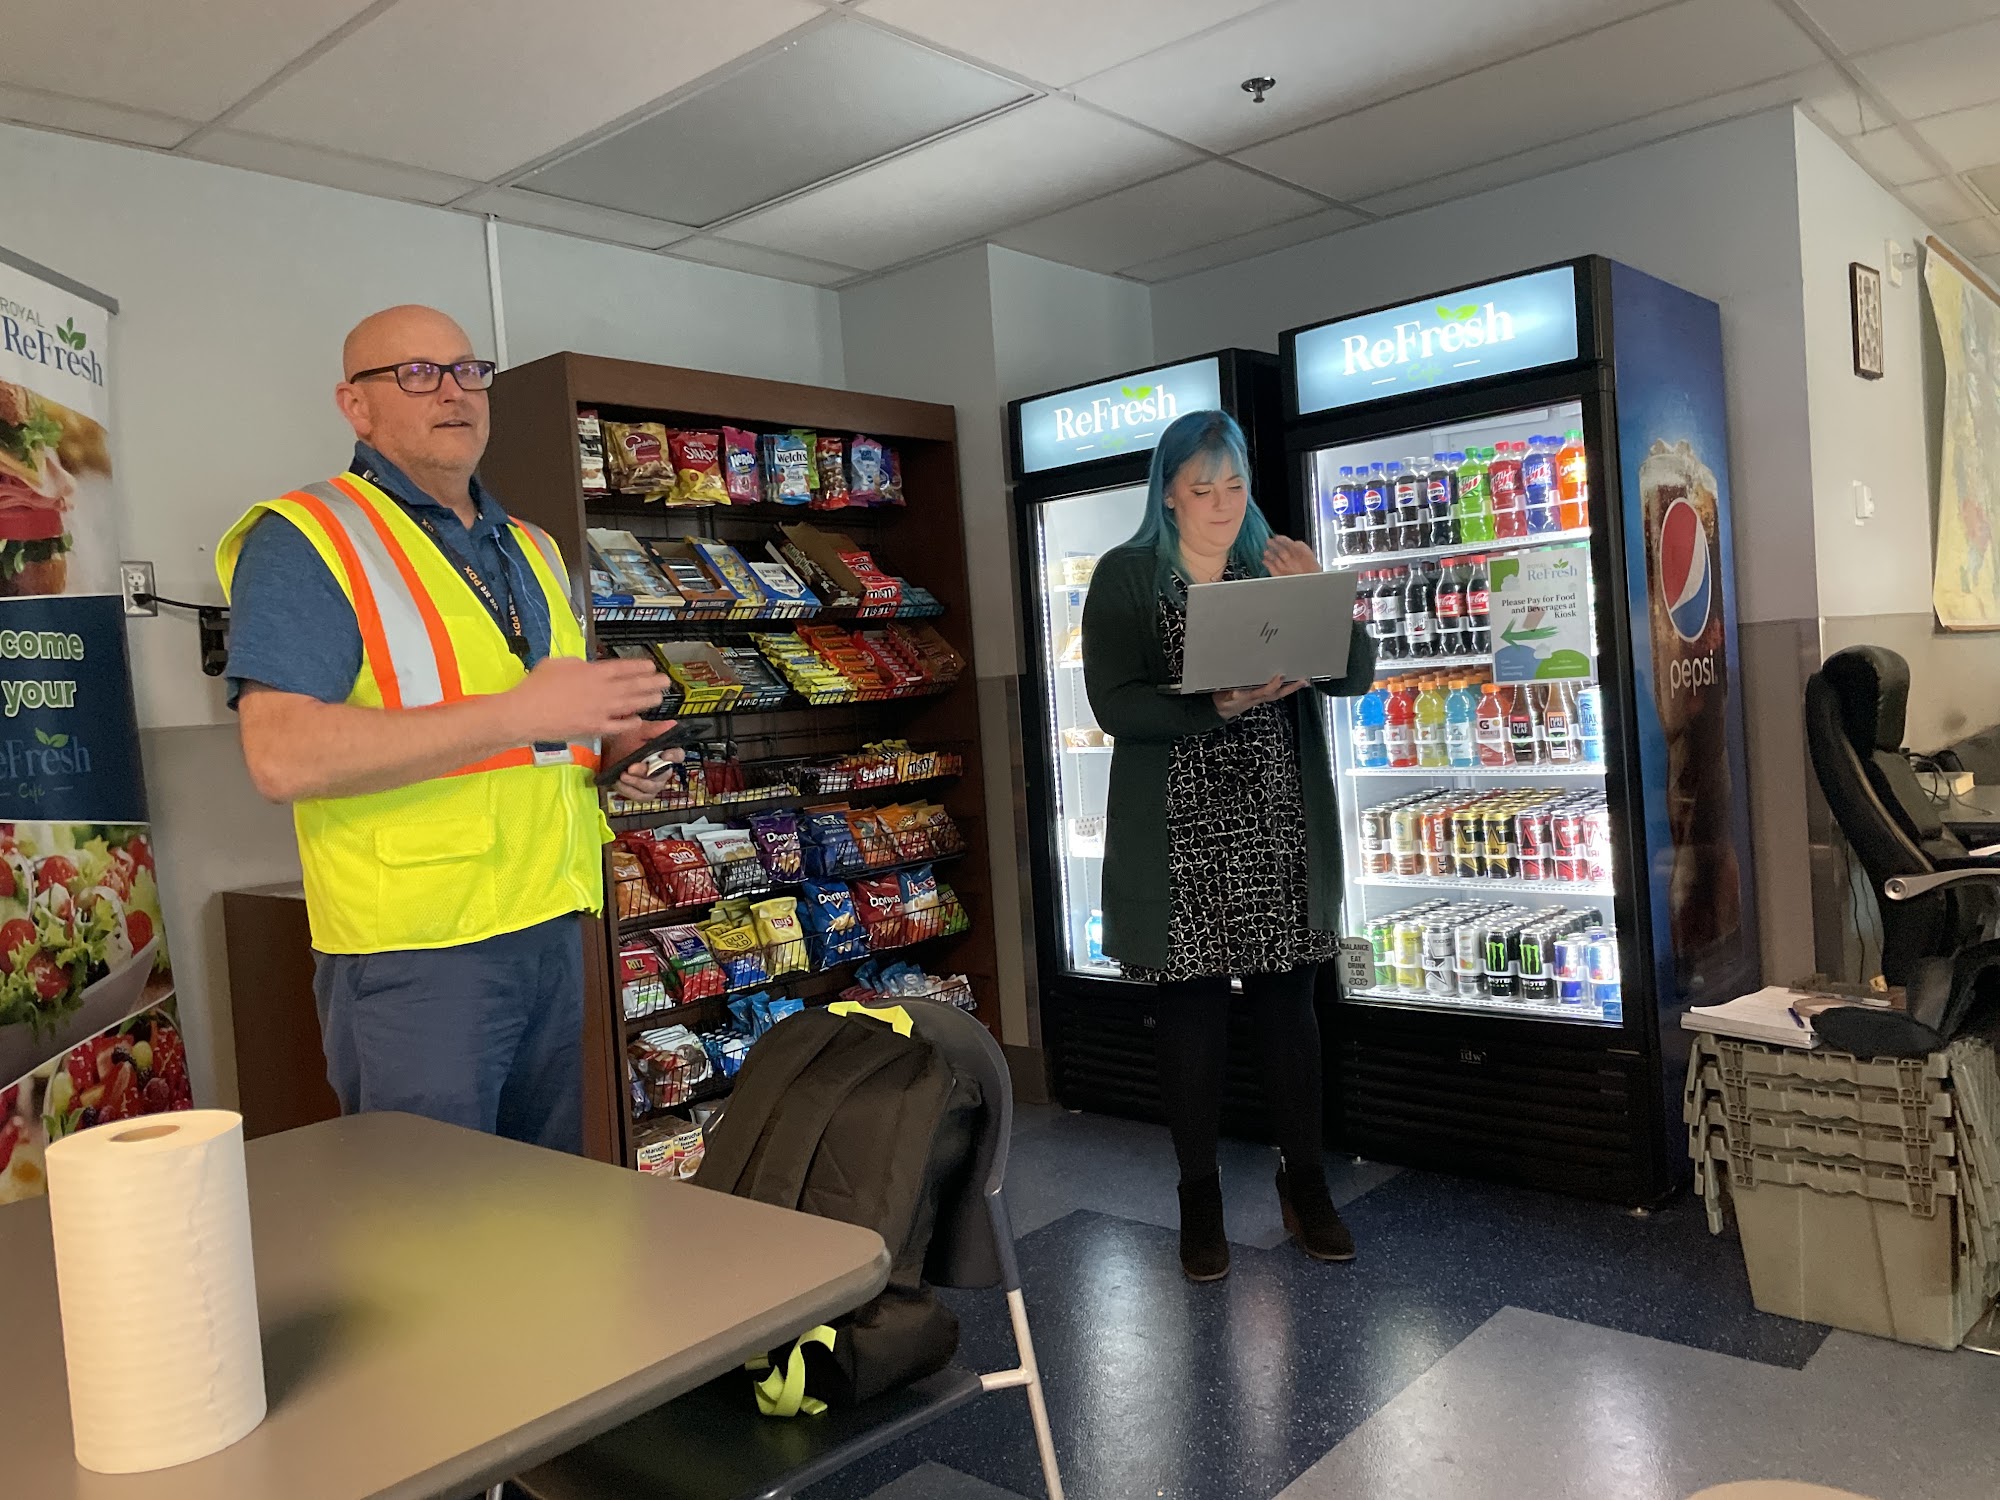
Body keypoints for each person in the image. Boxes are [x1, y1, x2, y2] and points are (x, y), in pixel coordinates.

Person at [216, 304, 674, 1153]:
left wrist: (613, 749)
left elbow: (541, 727)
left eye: (469, 371)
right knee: (429, 1213)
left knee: (545, 1202)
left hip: (551, 927)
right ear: (355, 406)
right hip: (416, 957)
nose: (453, 391)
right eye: (417, 374)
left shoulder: (533, 546)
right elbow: (280, 756)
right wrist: (517, 714)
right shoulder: (307, 538)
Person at [1081, 409, 1375, 1283]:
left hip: (1278, 820)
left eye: (1234, 485)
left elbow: (1353, 677)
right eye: (1202, 488)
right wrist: (1216, 703)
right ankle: (1198, 1196)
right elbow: (1114, 705)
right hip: (1179, 832)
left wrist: (1322, 592)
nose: (1222, 503)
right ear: (1168, 493)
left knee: (1291, 1011)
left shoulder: (1273, 562)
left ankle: (1306, 1183)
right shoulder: (1129, 575)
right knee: (1191, 1018)